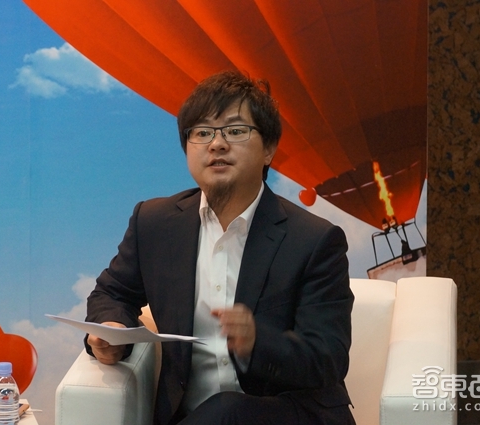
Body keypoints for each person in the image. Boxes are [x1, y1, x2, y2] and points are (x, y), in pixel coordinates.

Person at [84, 70, 355, 425]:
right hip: (193, 416)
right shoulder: (154, 223)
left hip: (287, 413)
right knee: (221, 412)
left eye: (235, 131)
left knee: (228, 409)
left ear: (269, 149)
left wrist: (258, 342)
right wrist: (111, 330)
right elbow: (112, 293)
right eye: (202, 132)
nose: (217, 144)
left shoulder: (315, 239)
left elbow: (329, 358)